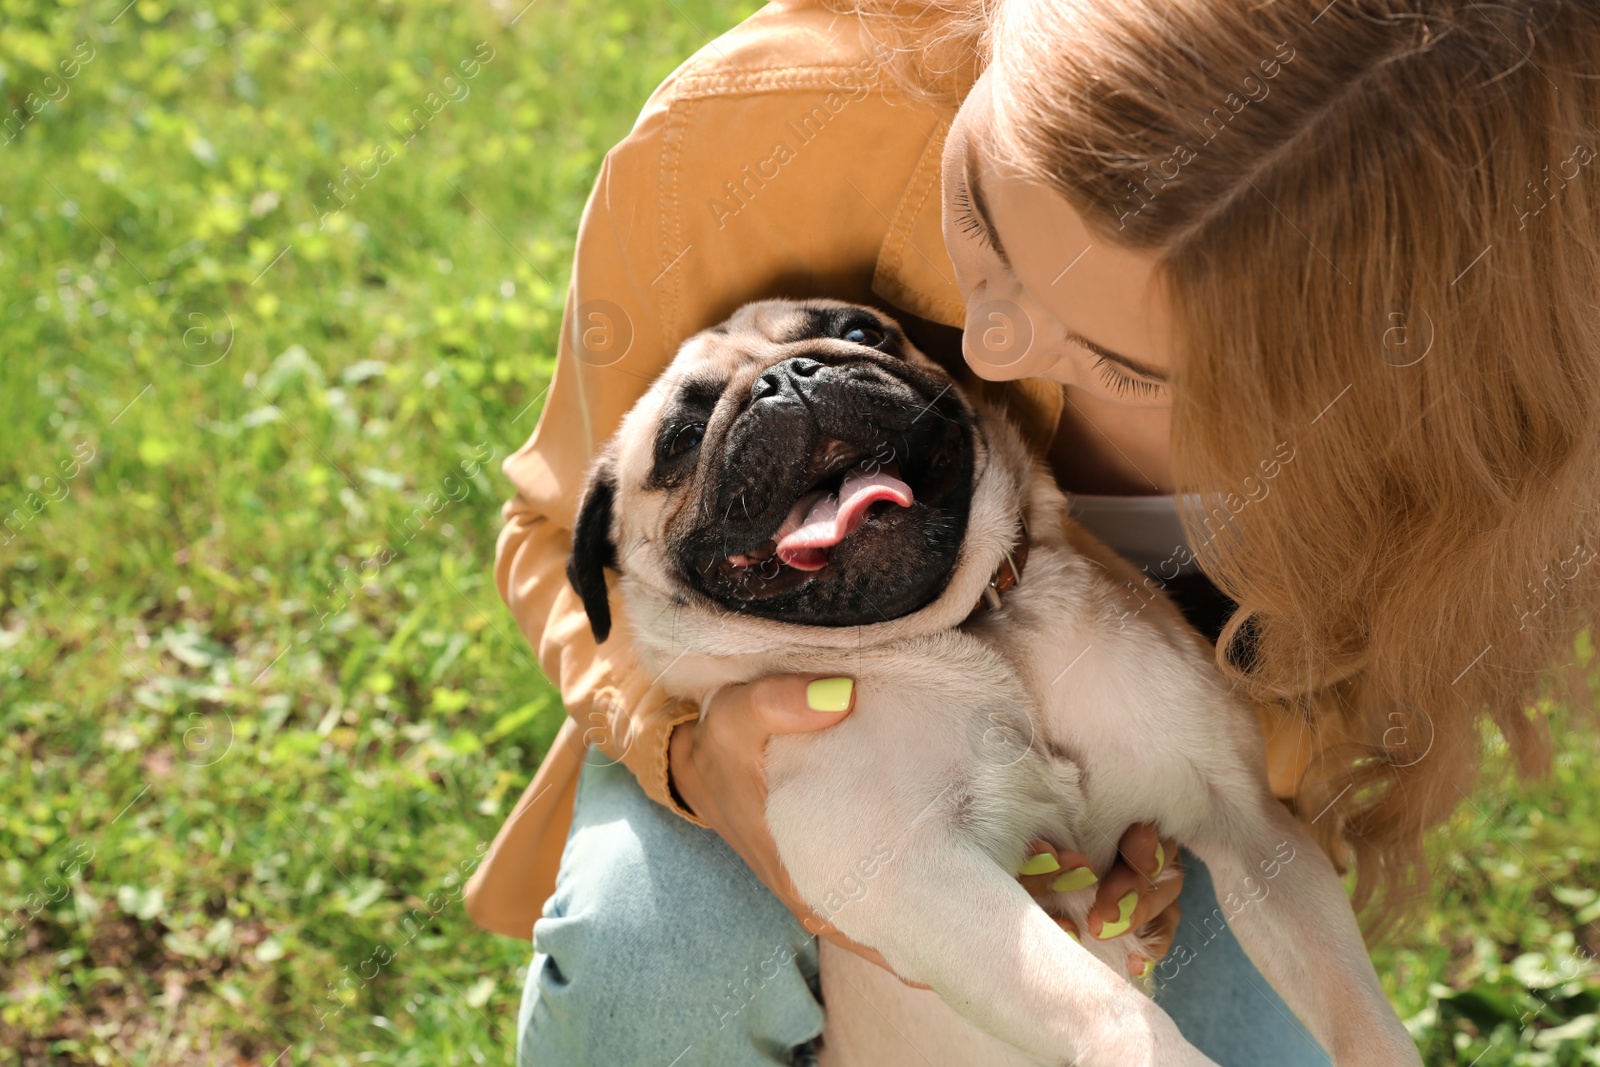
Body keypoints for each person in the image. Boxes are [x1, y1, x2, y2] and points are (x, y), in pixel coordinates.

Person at [463, 0, 1600, 1063]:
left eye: (1113, 358)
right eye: (981, 209)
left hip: (1146, 811)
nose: (987, 352)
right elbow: (552, 521)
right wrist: (687, 755)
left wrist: (1147, 796)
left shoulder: (1464, 425)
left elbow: (1292, 760)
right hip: (753, 733)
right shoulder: (752, 140)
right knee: (655, 948)